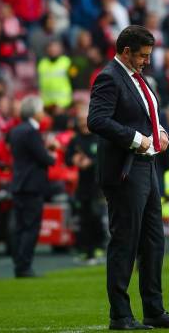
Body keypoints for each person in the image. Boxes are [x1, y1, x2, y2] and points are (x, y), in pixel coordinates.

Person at [87, 25, 169, 330]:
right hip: (125, 169)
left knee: (153, 241)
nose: (147, 60)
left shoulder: (136, 77)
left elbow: (146, 113)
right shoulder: (109, 77)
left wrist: (159, 132)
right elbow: (96, 120)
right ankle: (120, 315)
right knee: (125, 241)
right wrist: (138, 139)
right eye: (143, 55)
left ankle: (154, 310)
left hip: (146, 167)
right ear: (126, 52)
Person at [9, 96, 56, 278]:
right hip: (32, 185)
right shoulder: (31, 132)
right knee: (31, 227)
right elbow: (44, 158)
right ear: (35, 113)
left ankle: (19, 263)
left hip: (18, 184)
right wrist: (51, 152)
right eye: (41, 110)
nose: (43, 114)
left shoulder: (15, 131)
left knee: (20, 227)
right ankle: (24, 265)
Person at [65, 105, 105, 265]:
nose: (82, 123)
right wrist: (74, 160)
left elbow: (105, 159)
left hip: (98, 185)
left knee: (96, 216)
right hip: (82, 185)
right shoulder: (75, 140)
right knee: (83, 217)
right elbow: (68, 159)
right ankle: (86, 250)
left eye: (84, 120)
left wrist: (91, 162)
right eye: (80, 120)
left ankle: (98, 246)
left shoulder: (99, 137)